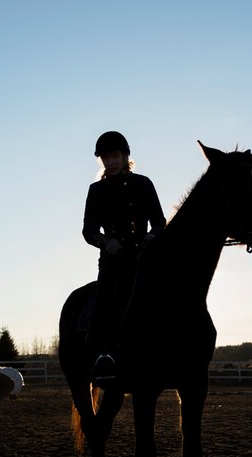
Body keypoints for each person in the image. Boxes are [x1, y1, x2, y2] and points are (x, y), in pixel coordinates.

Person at [83, 131, 166, 379]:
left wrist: (152, 236)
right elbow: (88, 231)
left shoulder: (144, 184)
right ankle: (104, 354)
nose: (110, 162)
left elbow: (160, 222)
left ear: (126, 156)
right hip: (113, 258)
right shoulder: (96, 190)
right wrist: (105, 242)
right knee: (106, 297)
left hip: (143, 254)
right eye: (105, 158)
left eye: (115, 156)